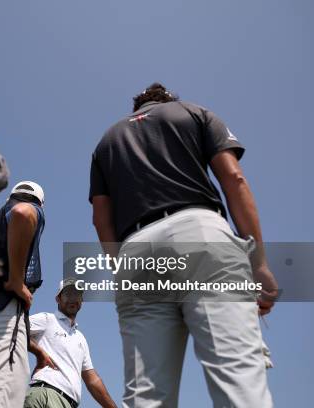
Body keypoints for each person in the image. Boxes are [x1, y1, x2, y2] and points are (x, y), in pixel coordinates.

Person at [89, 83, 279, 407]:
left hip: (135, 249)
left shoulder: (106, 142)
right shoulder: (194, 112)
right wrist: (259, 264)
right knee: (236, 374)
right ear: (168, 100)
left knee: (146, 395)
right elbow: (234, 179)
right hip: (199, 232)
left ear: (137, 107)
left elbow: (101, 219)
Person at [0, 181, 46, 408]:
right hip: (4, 312)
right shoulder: (27, 207)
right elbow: (23, 213)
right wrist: (16, 280)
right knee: (2, 395)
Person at [25, 278, 118, 408]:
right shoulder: (48, 319)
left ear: (81, 302)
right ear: (58, 298)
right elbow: (15, 328)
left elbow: (92, 380)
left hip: (67, 403)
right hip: (45, 393)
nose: (73, 298)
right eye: (68, 294)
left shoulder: (80, 339)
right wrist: (39, 352)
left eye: (77, 295)